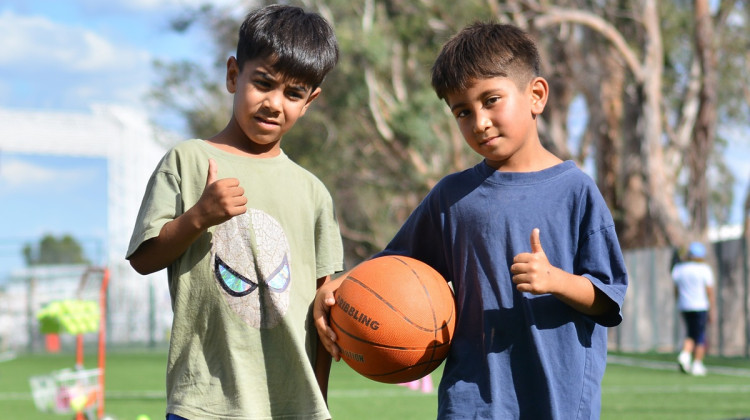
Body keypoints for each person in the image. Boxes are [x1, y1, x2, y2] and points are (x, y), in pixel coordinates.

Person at [315, 22, 628, 419]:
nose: (479, 122)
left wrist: (557, 281)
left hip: (558, 400)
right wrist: (336, 289)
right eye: (463, 111)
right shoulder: (452, 197)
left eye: (491, 100)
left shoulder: (577, 191)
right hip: (473, 400)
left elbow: (608, 298)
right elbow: (393, 266)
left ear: (536, 95)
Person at [126, 5, 343, 419]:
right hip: (204, 402)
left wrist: (319, 406)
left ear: (309, 101)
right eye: (263, 83)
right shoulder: (188, 160)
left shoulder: (313, 192)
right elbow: (142, 259)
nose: (274, 103)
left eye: (293, 94)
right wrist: (199, 216)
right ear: (233, 75)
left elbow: (323, 314)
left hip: (290, 407)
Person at [672, 241, 715, 376]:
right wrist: (712, 309)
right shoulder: (704, 269)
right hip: (700, 306)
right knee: (699, 335)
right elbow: (709, 291)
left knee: (691, 332)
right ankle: (696, 363)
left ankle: (686, 356)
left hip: (684, 306)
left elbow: (676, 290)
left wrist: (678, 302)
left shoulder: (679, 269)